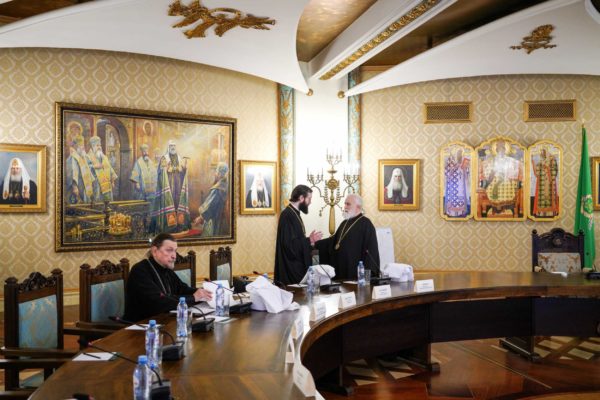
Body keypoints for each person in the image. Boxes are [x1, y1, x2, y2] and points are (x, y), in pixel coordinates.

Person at [123, 233, 212, 322]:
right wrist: (194, 297)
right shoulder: (140, 270)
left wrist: (204, 292)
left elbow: (182, 289)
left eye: (175, 251)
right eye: (169, 250)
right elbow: (158, 302)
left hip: (165, 320)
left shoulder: (166, 269)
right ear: (154, 251)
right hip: (142, 325)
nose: (174, 256)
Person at [315, 194, 379, 280]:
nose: (345, 207)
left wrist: (367, 277)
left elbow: (371, 250)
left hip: (355, 273)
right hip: (340, 270)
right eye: (345, 204)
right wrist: (315, 244)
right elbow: (333, 241)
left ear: (358, 207)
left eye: (348, 204)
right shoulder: (344, 223)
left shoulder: (366, 224)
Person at [274, 184, 322, 285]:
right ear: (301, 198)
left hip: (295, 267)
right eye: (309, 198)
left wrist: (309, 242)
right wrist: (309, 240)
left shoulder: (294, 213)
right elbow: (289, 246)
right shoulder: (287, 215)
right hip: (290, 270)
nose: (310, 202)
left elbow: (297, 241)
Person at [152, 140, 190, 233]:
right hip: (168, 185)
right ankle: (170, 226)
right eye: (171, 145)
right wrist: (166, 168)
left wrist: (185, 168)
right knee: (170, 201)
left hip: (178, 185)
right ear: (168, 147)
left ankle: (180, 225)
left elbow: (182, 171)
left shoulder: (180, 158)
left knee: (177, 201)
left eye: (174, 145)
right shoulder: (164, 158)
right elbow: (161, 172)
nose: (173, 147)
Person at [194, 162, 229, 237]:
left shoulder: (218, 189)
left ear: (219, 174)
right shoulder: (226, 185)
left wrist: (200, 218)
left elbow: (210, 205)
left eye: (216, 171)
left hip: (215, 221)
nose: (215, 174)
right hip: (224, 222)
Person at [87, 136, 117, 202]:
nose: (99, 147)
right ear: (93, 146)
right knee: (98, 201)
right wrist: (94, 166)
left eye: (100, 145)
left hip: (107, 184)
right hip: (96, 184)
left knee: (107, 201)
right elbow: (85, 168)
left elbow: (110, 168)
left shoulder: (104, 157)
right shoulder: (88, 157)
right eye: (97, 145)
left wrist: (112, 181)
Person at [66, 135, 95, 204]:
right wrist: (74, 187)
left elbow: (88, 167)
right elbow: (72, 173)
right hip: (78, 185)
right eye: (81, 146)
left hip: (85, 185)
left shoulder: (82, 156)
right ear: (76, 146)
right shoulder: (73, 158)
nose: (83, 148)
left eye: (83, 145)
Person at [532, 147, 559, 217]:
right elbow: (537, 171)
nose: (542, 154)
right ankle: (541, 212)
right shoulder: (541, 161)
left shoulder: (552, 160)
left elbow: (555, 171)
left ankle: (550, 212)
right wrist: (533, 163)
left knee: (550, 196)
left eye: (543, 152)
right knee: (542, 196)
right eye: (541, 152)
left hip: (550, 182)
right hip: (542, 181)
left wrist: (547, 168)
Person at [444, 148, 470, 217]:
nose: (459, 155)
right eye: (458, 153)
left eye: (460, 154)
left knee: (461, 197)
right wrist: (455, 167)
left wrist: (464, 168)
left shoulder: (463, 161)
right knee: (453, 198)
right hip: (453, 184)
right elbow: (447, 173)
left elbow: (466, 174)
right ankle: (451, 213)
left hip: (461, 184)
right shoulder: (450, 160)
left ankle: (461, 212)